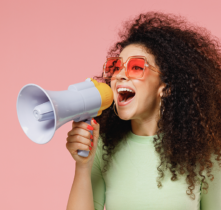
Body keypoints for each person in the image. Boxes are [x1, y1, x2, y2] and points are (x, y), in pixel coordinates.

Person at [66, 11, 221, 210]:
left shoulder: (205, 152)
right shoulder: (102, 148)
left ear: (165, 87)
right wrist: (83, 166)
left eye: (136, 67)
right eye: (116, 67)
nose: (120, 75)